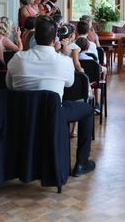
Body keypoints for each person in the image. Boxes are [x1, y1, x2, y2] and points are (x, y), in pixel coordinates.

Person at [6, 17, 96, 177]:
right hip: (53, 114)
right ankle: (81, 163)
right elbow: (69, 83)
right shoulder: (63, 62)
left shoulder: (18, 58)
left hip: (21, 113)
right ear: (55, 39)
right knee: (88, 110)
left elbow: (9, 85)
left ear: (34, 37)